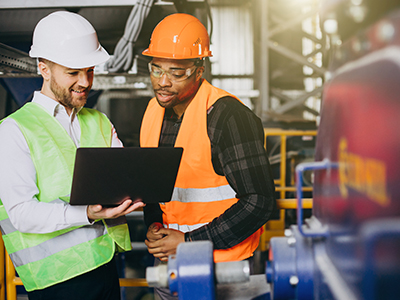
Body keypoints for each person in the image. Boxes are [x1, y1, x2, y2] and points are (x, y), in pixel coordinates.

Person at [0, 11, 144, 300]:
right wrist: (87, 213)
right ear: (44, 69)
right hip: (56, 280)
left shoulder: (99, 121)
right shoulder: (14, 130)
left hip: (105, 265)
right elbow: (21, 214)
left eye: (89, 70)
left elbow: (124, 180)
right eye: (73, 72)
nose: (85, 82)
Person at [140, 13, 277, 299]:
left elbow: (260, 201)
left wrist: (189, 242)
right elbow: (155, 188)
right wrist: (154, 225)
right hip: (169, 264)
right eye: (156, 69)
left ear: (199, 69)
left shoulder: (228, 118)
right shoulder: (153, 111)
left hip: (224, 269)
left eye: (176, 73)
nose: (163, 82)